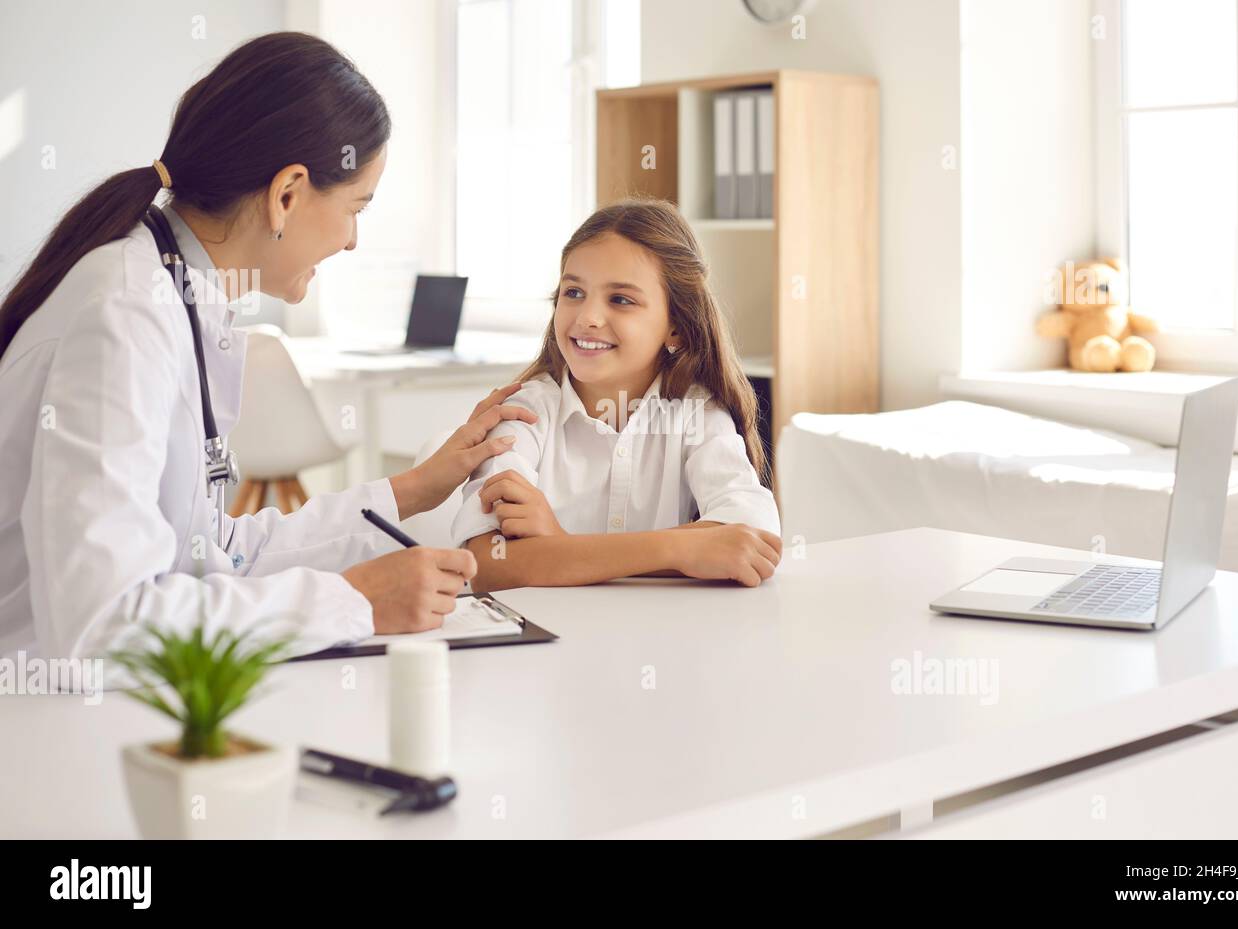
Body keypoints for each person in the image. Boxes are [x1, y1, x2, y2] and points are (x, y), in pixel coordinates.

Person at [0, 32, 536, 660]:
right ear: (287, 195)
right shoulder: (125, 312)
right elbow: (102, 621)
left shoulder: (175, 292)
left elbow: (216, 552)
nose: (353, 240)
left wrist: (417, 488)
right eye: (356, 207)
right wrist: (354, 602)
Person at [449, 199, 782, 591]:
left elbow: (751, 543)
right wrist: (682, 549)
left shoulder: (696, 413)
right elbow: (491, 565)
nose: (587, 316)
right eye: (573, 292)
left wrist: (559, 546)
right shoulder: (521, 415)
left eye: (620, 299)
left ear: (675, 326)